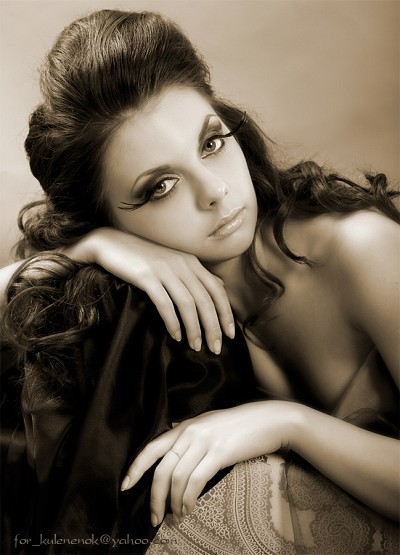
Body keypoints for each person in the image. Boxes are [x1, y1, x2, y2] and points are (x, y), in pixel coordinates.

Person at [1, 8, 398, 555]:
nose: (214, 191)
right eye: (161, 187)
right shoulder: (140, 303)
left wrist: (289, 424)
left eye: (211, 143)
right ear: (106, 215)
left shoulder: (359, 249)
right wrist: (90, 248)